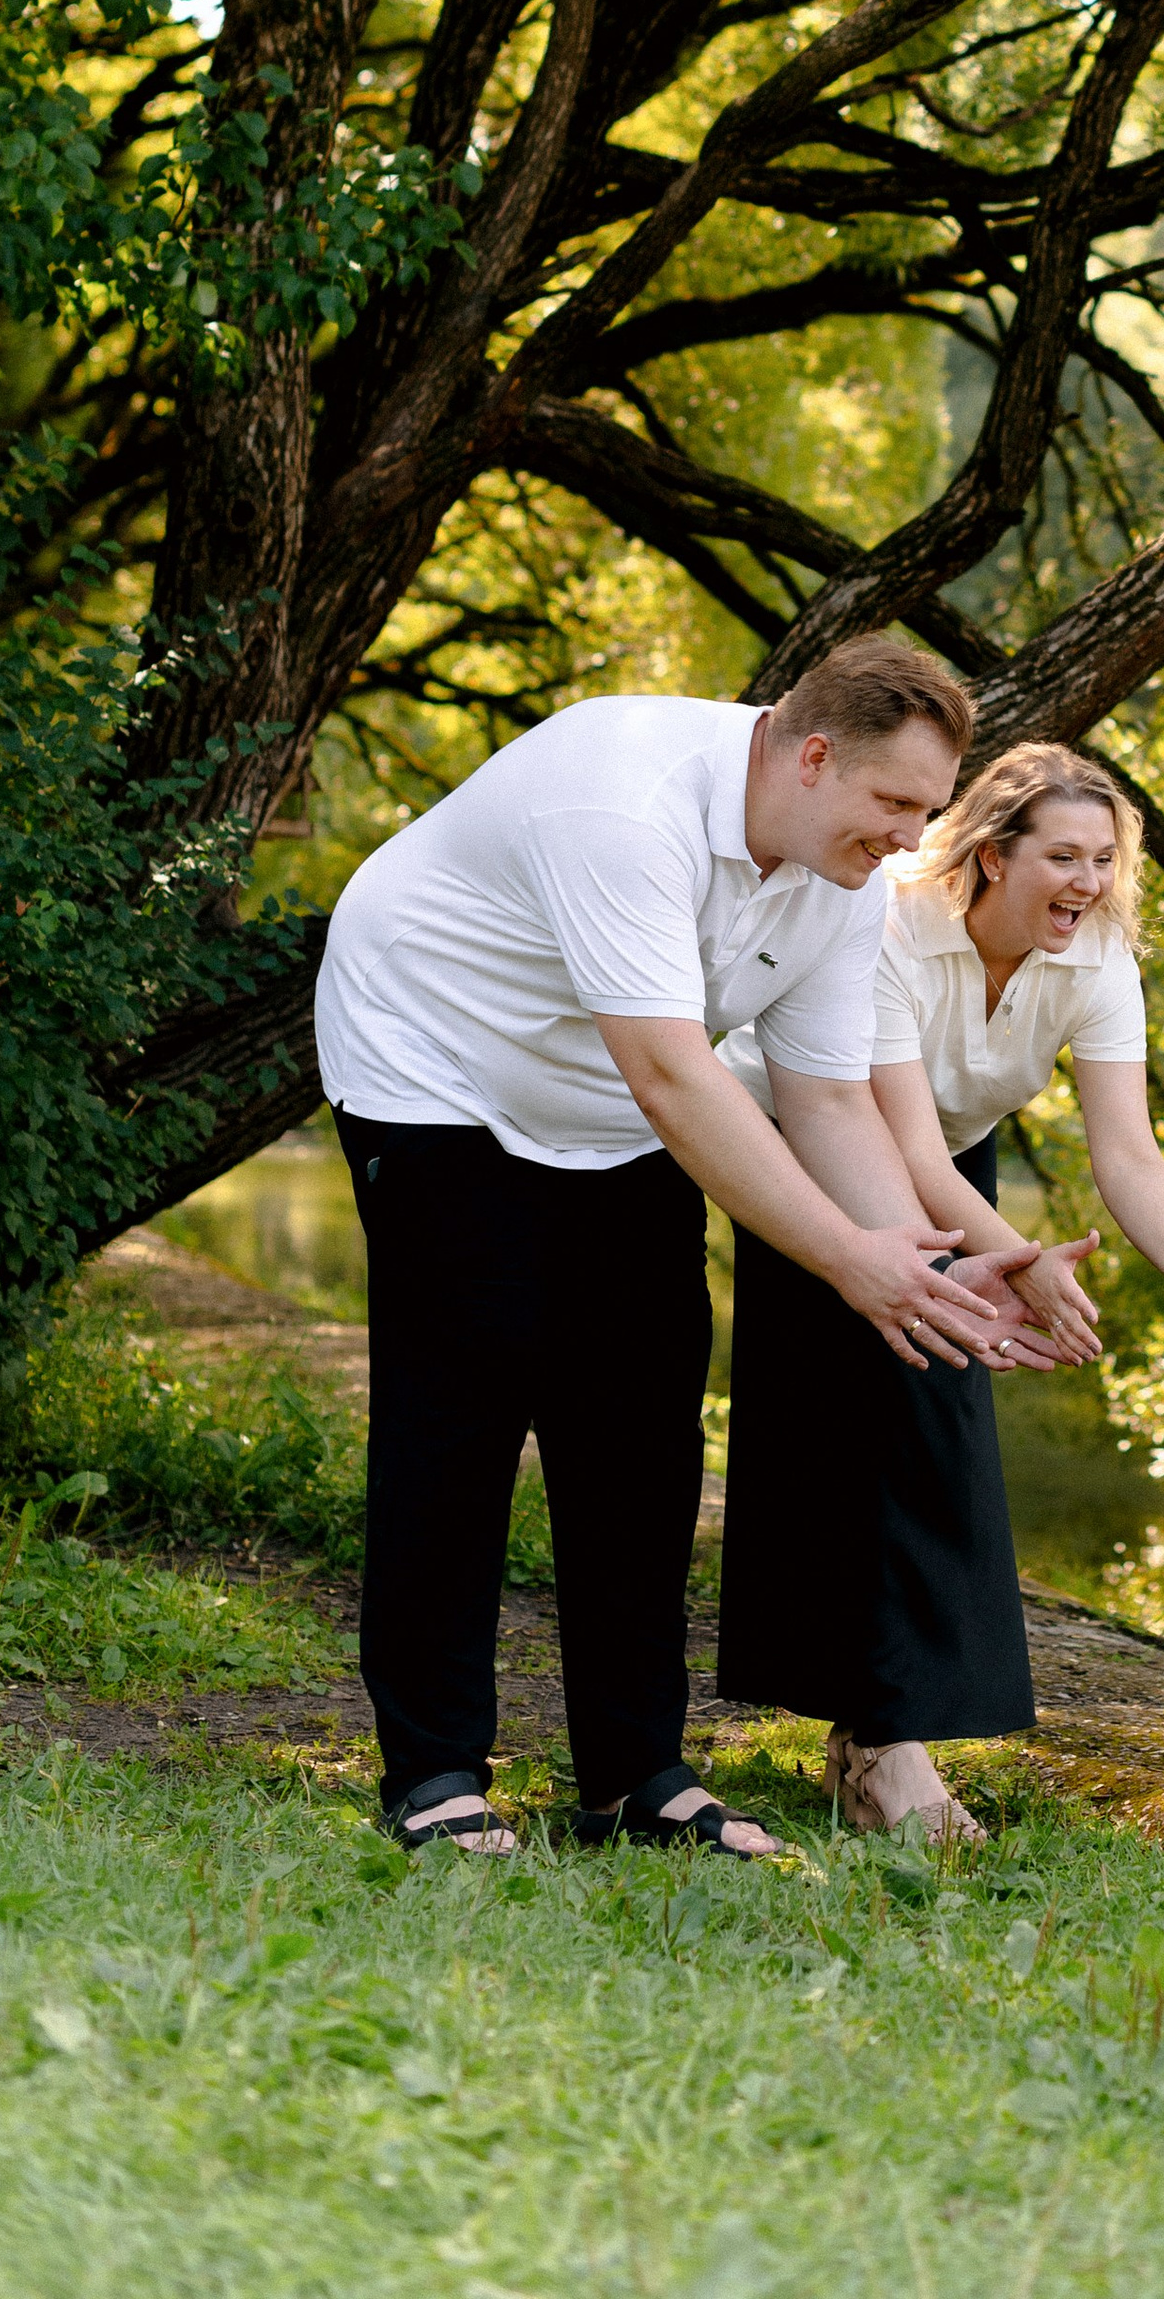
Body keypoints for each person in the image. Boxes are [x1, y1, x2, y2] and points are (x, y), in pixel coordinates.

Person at [314, 637, 1043, 1860]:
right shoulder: (622, 795)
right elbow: (671, 1070)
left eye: (928, 807)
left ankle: (636, 1776)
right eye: (896, 803)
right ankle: (436, 1771)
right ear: (812, 754)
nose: (913, 839)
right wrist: (844, 1261)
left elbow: (821, 1101)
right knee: (464, 1407)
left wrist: (914, 1257)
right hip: (437, 1063)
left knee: (643, 1424)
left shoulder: (839, 873)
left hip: (612, 1103)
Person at [715, 738, 1164, 1837]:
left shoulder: (1097, 955)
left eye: (1104, 859)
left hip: (944, 1154)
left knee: (929, 1405)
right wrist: (1017, 1260)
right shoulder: (888, 918)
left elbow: (1126, 1149)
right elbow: (907, 1158)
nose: (1088, 881)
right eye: (1065, 855)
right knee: (853, 1415)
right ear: (989, 855)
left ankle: (877, 1734)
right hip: (806, 1135)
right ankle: (882, 1742)